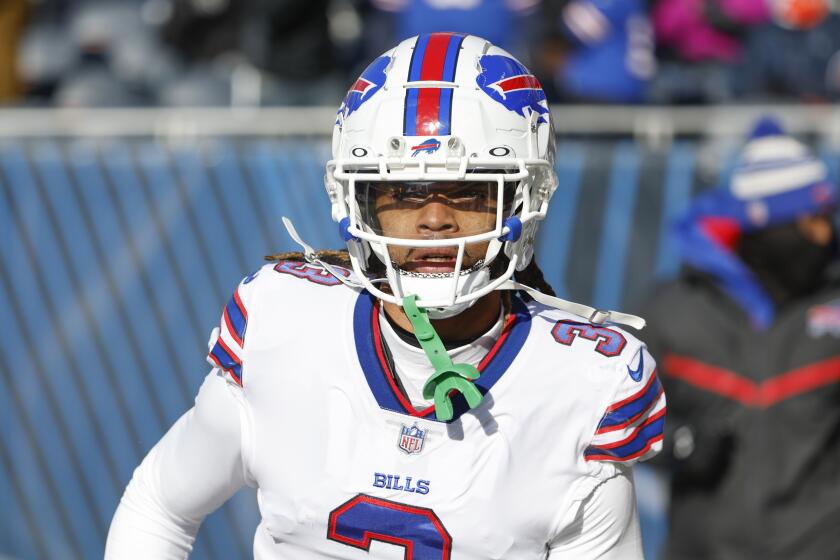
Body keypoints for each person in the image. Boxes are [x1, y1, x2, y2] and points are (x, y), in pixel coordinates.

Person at [105, 33, 665, 559]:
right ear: (357, 199)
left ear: (523, 201)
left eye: (471, 191)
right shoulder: (285, 321)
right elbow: (160, 505)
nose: (435, 220)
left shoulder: (581, 382)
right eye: (404, 191)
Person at [641, 117, 840, 559]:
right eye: (813, 222)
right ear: (767, 225)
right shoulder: (674, 310)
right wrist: (678, 443)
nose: (827, 237)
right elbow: (616, 423)